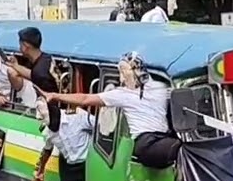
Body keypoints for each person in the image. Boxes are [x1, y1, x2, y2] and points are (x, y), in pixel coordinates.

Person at [42, 52, 177, 169]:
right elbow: (85, 99)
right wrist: (55, 95)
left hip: (163, 138)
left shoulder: (162, 87)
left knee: (188, 148)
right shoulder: (122, 94)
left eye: (124, 72)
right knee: (183, 150)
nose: (121, 79)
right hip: (145, 144)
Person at [6, 27, 58, 94]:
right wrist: (15, 65)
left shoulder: (40, 73)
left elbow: (35, 75)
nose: (19, 48)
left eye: (20, 45)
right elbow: (32, 74)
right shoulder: (46, 58)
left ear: (26, 46)